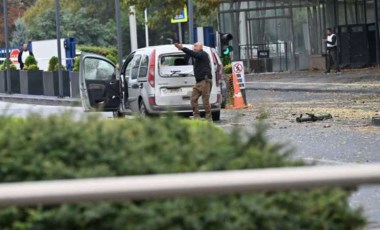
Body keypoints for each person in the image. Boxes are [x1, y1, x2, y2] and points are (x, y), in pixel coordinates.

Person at [174, 42, 213, 121]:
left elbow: (193, 54)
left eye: (196, 46)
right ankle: (196, 116)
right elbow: (189, 55)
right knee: (193, 99)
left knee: (205, 101)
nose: (194, 47)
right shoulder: (197, 56)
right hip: (198, 82)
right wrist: (180, 48)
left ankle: (209, 117)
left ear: (200, 47)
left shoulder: (203, 54)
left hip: (205, 81)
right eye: (194, 46)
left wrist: (182, 48)